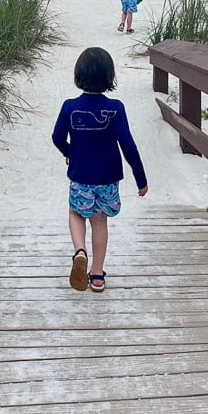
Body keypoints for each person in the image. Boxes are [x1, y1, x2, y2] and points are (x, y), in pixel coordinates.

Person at [52, 47, 148, 293]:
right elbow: (128, 145)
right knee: (99, 222)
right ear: (109, 77)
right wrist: (140, 178)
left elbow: (56, 136)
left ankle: (79, 251)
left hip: (81, 176)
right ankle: (96, 275)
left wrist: (69, 152)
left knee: (76, 214)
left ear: (79, 75)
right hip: (107, 179)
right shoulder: (116, 108)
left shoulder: (69, 107)